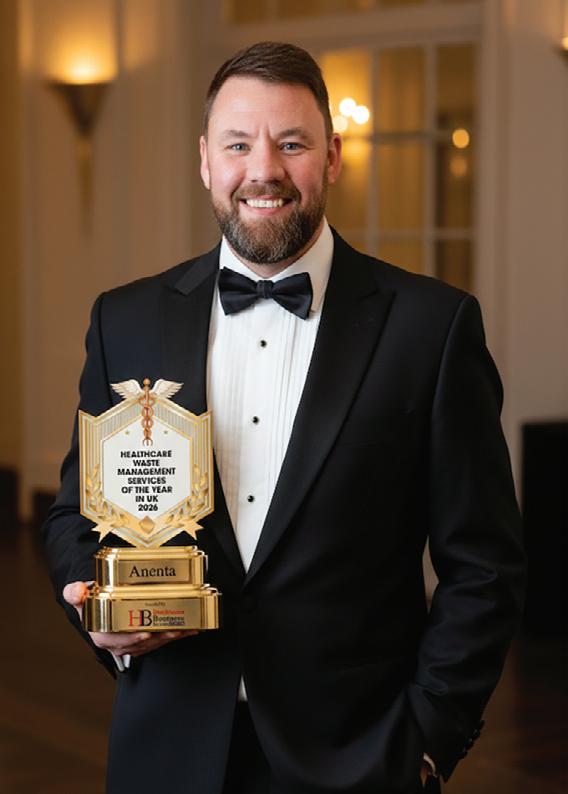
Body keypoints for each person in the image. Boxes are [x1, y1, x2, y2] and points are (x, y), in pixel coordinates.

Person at [43, 41, 526, 794]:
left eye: (291, 143)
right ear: (205, 160)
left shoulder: (431, 328)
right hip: (165, 748)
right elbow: (75, 515)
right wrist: (94, 606)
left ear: (332, 157)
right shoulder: (124, 319)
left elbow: (484, 564)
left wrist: (428, 739)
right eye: (238, 143)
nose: (263, 169)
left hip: (359, 757)